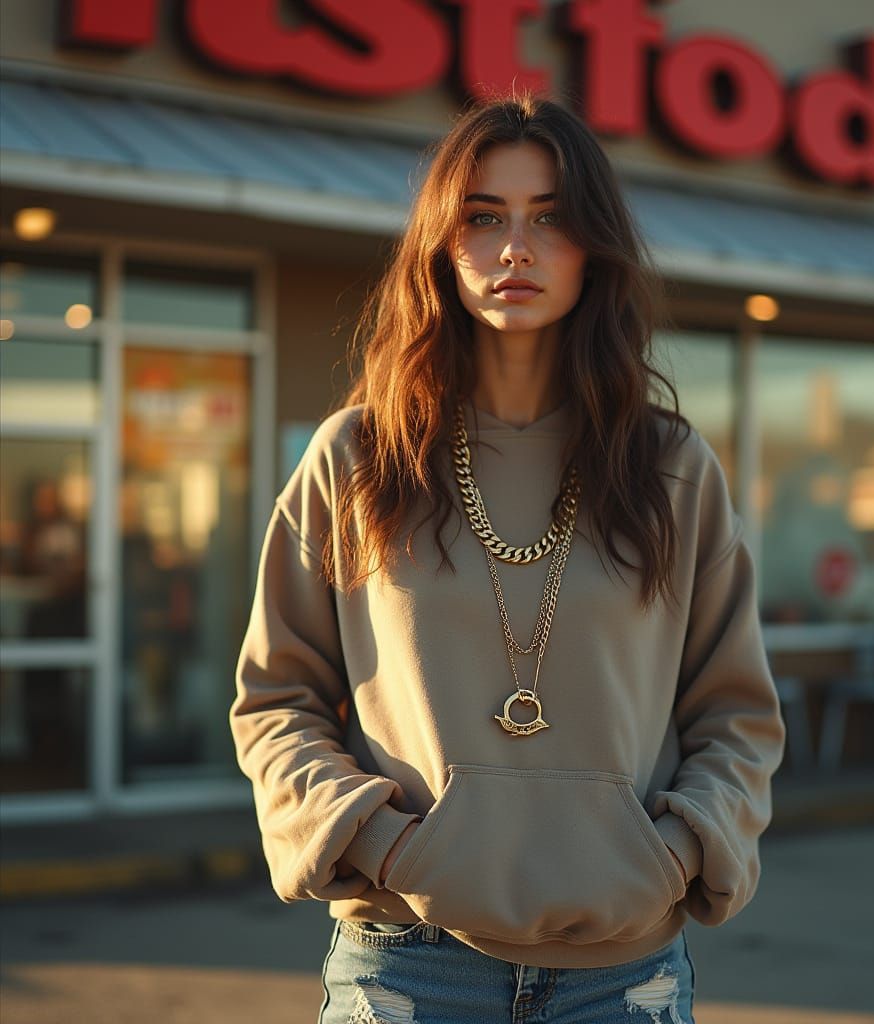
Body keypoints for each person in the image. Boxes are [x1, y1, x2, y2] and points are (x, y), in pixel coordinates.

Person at [230, 93, 787, 1024]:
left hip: (624, 977)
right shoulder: (358, 457)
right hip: (407, 964)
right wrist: (383, 846)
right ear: (441, 248)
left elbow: (737, 715)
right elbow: (276, 701)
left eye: (551, 219)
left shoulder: (671, 467)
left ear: (594, 249)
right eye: (484, 218)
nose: (515, 249)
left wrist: (675, 853)